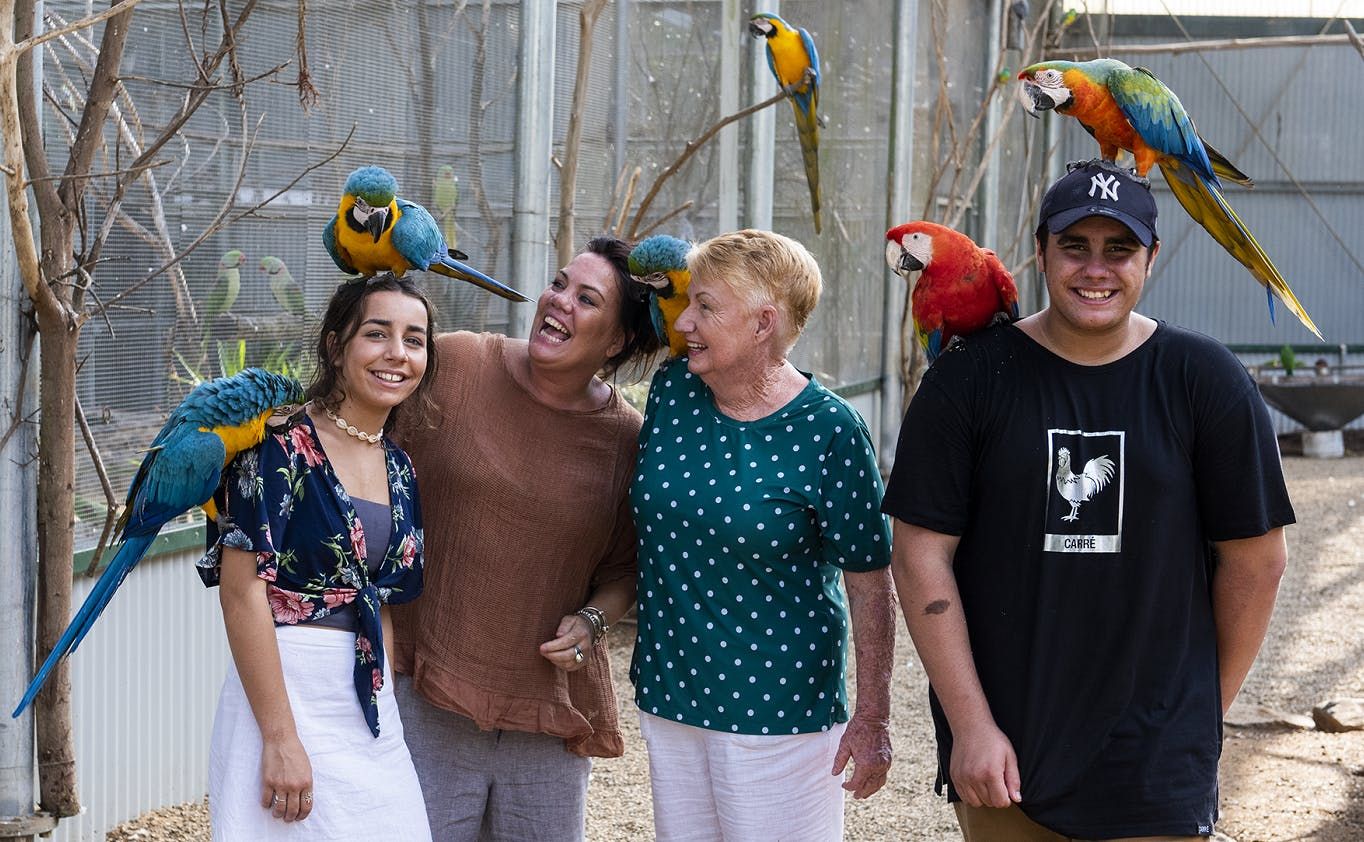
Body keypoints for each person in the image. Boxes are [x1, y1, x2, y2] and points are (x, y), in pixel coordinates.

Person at [883, 159, 1294, 841]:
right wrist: (972, 726)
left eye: (1119, 249)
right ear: (1040, 252)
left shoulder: (1205, 379)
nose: (1095, 268)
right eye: (1075, 246)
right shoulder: (968, 381)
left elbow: (1257, 563)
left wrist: (1198, 714)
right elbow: (920, 554)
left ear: (1151, 258)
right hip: (1006, 762)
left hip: (1156, 769)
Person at [389, 235, 663, 841]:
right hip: (427, 689)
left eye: (586, 298)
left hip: (546, 711)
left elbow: (623, 572)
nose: (559, 300)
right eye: (560, 283)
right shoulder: (455, 363)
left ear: (615, 341)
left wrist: (592, 622)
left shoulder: (626, 441)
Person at [630, 229, 898, 841]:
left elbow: (869, 582)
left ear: (762, 324)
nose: (684, 320)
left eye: (706, 307)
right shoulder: (673, 393)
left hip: (778, 712)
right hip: (670, 700)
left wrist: (873, 716)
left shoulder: (830, 430)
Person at [199, 274, 438, 840]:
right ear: (335, 345)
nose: (397, 354)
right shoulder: (277, 444)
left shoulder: (400, 469)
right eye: (377, 334)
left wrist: (387, 709)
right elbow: (241, 592)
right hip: (284, 690)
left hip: (365, 703)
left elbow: (381, 603)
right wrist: (280, 738)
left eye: (415, 338)